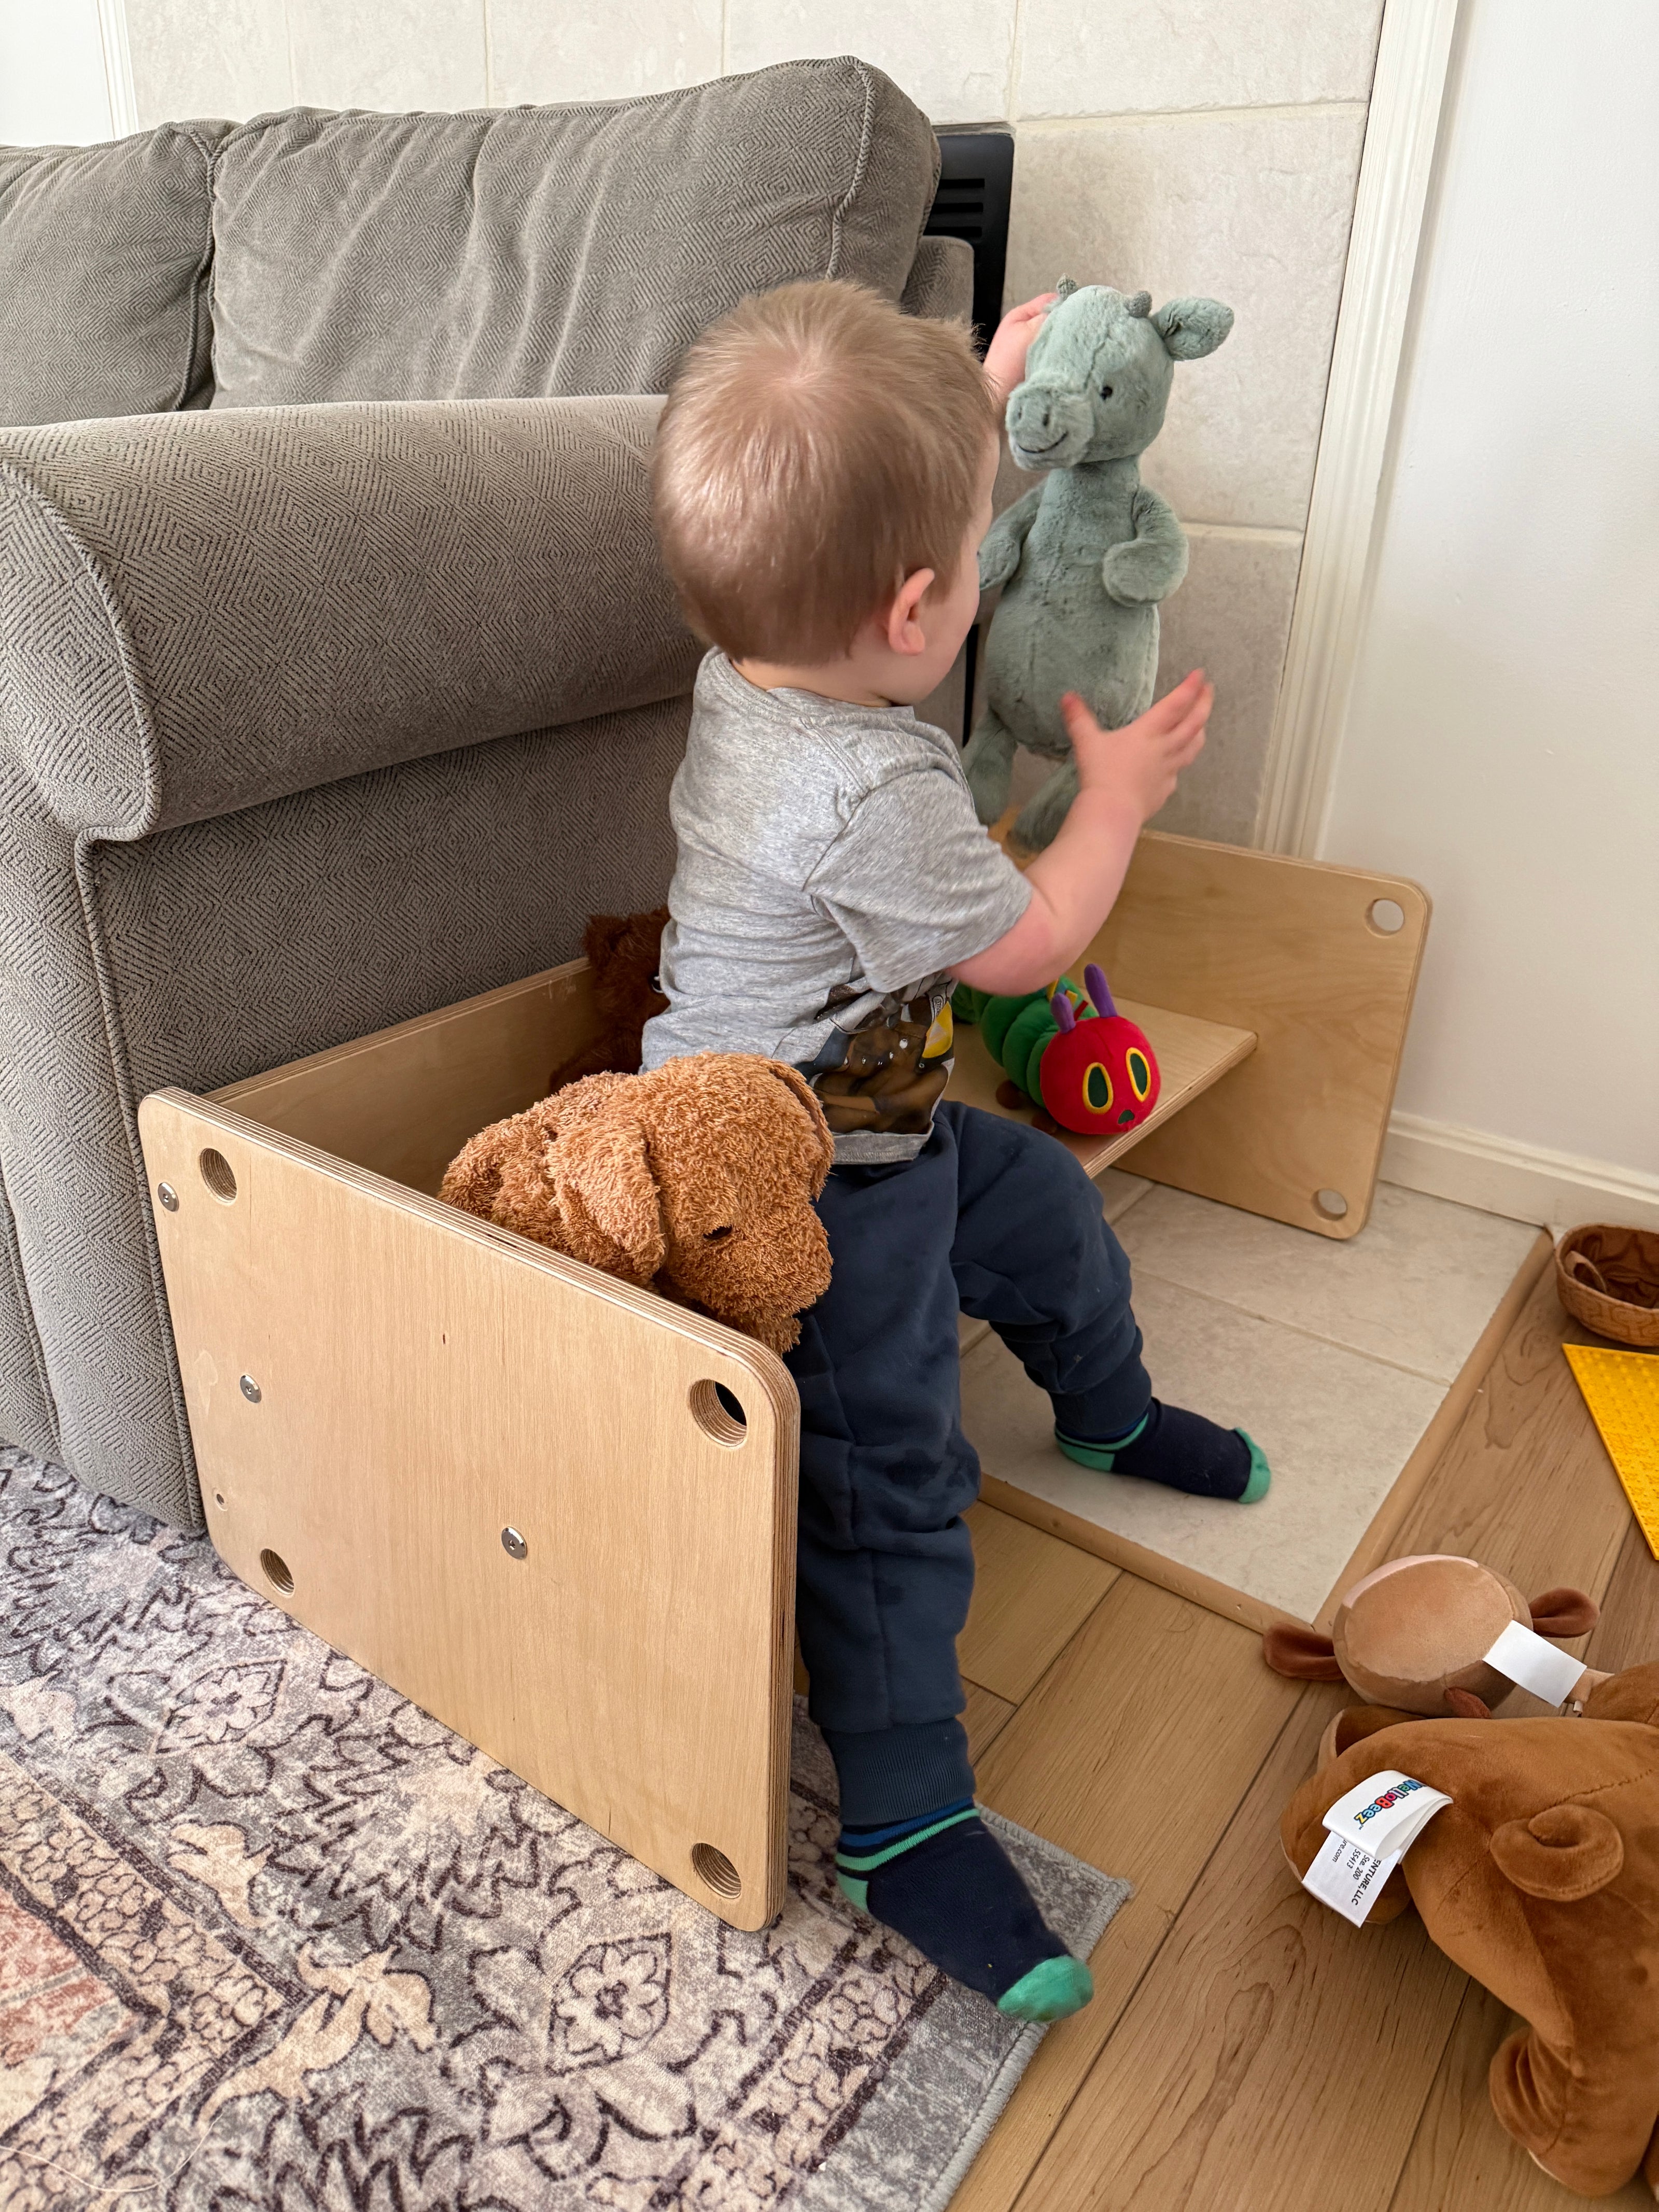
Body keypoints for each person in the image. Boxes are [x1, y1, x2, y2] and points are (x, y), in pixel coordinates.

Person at [642, 279, 1269, 2022]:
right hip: (799, 1182)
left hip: (880, 1118)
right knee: (886, 1467)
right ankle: (903, 1815)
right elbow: (1034, 943)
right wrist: (1117, 800)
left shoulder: (745, 664)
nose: (988, 571)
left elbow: (869, 526)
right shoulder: (876, 791)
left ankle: (1110, 1410)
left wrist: (978, 396)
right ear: (916, 608)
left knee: (1048, 1205)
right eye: (977, 552)